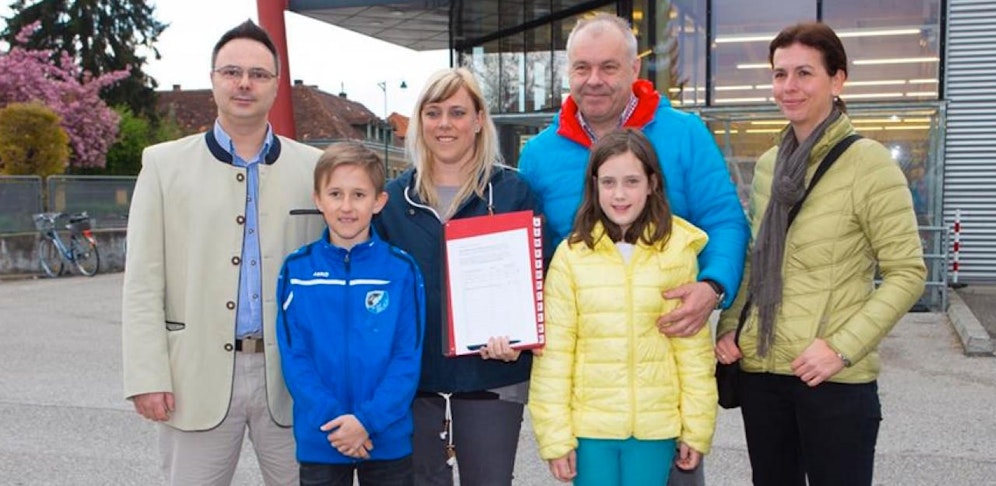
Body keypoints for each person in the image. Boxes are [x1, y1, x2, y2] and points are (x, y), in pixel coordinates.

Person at [517, 12, 748, 484]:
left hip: (663, 375)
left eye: (608, 67)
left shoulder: (684, 134)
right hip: (592, 395)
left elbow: (725, 220)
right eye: (582, 67)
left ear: (634, 70)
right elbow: (528, 257)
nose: (594, 80)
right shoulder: (538, 154)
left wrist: (712, 285)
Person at [713, 22, 927, 486]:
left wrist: (841, 348)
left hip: (830, 378)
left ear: (837, 80)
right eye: (779, 74)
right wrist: (732, 324)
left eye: (804, 73)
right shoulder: (771, 164)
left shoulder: (868, 164)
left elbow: (907, 272)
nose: (788, 87)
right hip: (763, 372)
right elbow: (757, 254)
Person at [122, 20, 324, 485]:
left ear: (277, 85)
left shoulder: (313, 169)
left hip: (292, 380)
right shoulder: (162, 164)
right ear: (213, 78)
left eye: (258, 74)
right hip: (194, 376)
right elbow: (143, 281)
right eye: (232, 71)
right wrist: (147, 374)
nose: (244, 83)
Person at [374, 67, 547, 485]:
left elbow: (537, 277)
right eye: (433, 113)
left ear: (479, 120)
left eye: (457, 112)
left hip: (493, 377)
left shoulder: (512, 192)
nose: (445, 124)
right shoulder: (392, 201)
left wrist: (521, 338)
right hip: (414, 383)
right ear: (419, 122)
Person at [529, 128, 717, 486]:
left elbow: (692, 353)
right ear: (594, 186)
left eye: (631, 181)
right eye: (608, 182)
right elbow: (554, 356)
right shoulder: (572, 256)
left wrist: (697, 427)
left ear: (652, 184)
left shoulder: (677, 251)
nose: (618, 194)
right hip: (590, 428)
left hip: (655, 427)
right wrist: (555, 436)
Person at [276, 142, 425, 486]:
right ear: (318, 200)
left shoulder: (401, 270)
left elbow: (407, 358)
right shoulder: (296, 270)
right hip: (322, 437)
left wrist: (366, 422)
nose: (346, 206)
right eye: (335, 194)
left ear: (379, 202)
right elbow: (294, 358)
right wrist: (337, 423)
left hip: (385, 437)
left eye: (359, 195)